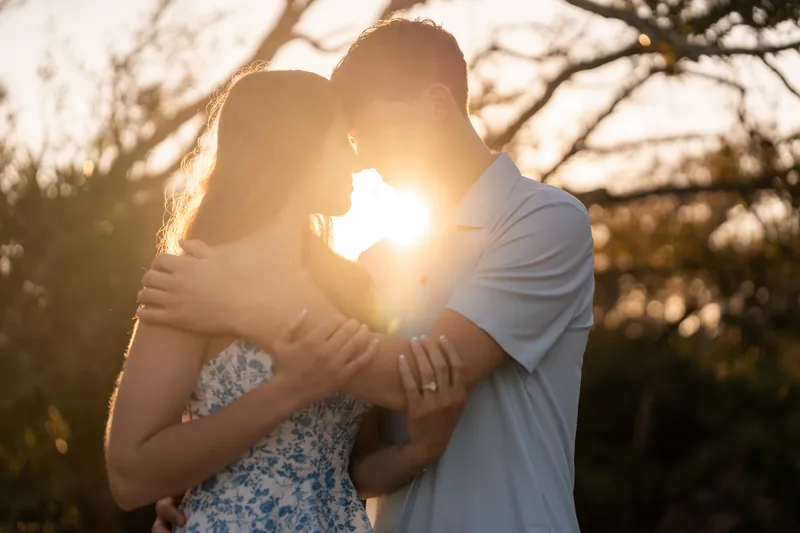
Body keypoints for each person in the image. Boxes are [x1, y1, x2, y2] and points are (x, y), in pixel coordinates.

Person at [141, 18, 595, 533]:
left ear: (437, 106)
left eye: (369, 132)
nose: (360, 160)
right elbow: (341, 455)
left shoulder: (543, 220)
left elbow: (425, 374)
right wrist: (207, 485)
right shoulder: (375, 265)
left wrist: (240, 308)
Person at [104, 67, 466, 532]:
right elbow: (129, 476)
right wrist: (288, 391)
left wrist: (415, 453)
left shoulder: (352, 288)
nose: (356, 163)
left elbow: (351, 469)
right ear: (297, 148)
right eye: (342, 141)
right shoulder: (191, 280)